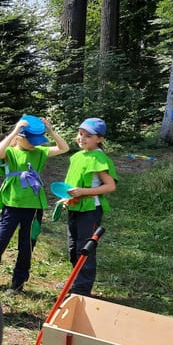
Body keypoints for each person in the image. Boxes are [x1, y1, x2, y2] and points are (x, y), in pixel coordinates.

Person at [0, 115, 69, 292]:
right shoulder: (11, 152)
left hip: (33, 207)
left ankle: (18, 282)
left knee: (26, 245)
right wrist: (15, 130)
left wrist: (50, 130)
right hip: (12, 204)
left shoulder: (40, 151)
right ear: (19, 137)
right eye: (31, 139)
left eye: (38, 140)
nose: (35, 143)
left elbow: (63, 148)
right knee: (0, 240)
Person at [59, 117, 118, 295]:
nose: (81, 138)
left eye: (88, 136)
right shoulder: (77, 156)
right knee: (72, 248)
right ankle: (76, 280)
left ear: (99, 139)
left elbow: (110, 186)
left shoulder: (98, 157)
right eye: (80, 134)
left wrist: (82, 192)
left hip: (90, 211)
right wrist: (66, 199)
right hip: (75, 208)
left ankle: (82, 290)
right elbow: (72, 186)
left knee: (84, 249)